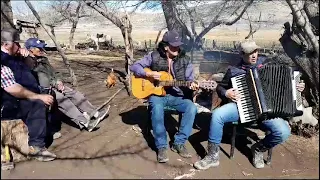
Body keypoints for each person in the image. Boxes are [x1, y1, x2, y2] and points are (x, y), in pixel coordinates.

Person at [193, 40, 306, 169]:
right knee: (218, 115)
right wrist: (226, 93)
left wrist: (297, 86)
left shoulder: (266, 65)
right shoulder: (233, 70)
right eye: (249, 52)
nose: (254, 55)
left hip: (267, 113)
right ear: (241, 54)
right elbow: (220, 87)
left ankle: (258, 149)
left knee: (283, 132)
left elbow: (283, 85)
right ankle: (213, 156)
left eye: (255, 51)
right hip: (242, 107)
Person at [130, 30, 198, 163]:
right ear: (166, 46)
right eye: (174, 45)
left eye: (179, 45)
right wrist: (148, 74)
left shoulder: (185, 60)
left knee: (191, 107)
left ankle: (178, 142)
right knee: (156, 106)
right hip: (157, 94)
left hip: (176, 95)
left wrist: (192, 85)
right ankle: (161, 146)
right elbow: (135, 66)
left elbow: (190, 79)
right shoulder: (154, 56)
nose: (177, 48)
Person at [23, 38, 109, 132]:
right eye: (39, 49)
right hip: (42, 89)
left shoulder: (43, 60)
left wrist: (58, 81)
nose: (42, 51)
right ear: (31, 49)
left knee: (74, 93)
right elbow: (40, 79)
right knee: (62, 99)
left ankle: (94, 113)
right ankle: (85, 122)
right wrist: (54, 84)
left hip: (53, 84)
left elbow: (54, 73)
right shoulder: (27, 62)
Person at [1, 28, 56, 161]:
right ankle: (36, 147)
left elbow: (30, 72)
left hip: (18, 98)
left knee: (48, 94)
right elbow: (12, 88)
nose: (20, 46)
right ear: (7, 44)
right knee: (37, 103)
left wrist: (25, 58)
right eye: (17, 43)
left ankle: (46, 131)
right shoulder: (2, 62)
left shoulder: (13, 57)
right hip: (8, 104)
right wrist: (37, 96)